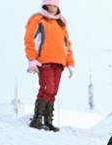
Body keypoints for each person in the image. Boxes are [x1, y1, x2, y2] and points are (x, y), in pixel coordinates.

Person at [24, 0, 75, 132]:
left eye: (55, 5)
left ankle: (48, 121)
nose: (52, 7)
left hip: (59, 62)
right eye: (50, 5)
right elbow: (29, 40)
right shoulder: (37, 19)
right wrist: (31, 59)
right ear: (45, 5)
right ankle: (37, 119)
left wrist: (70, 63)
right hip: (44, 60)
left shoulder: (61, 23)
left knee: (53, 92)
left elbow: (67, 45)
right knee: (47, 89)